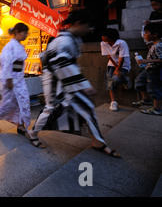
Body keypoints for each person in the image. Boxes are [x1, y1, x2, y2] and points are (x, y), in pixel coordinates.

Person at [27, 9, 121, 158]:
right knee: (51, 108)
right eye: (88, 26)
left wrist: (79, 84)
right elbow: (61, 63)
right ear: (79, 24)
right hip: (53, 81)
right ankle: (33, 133)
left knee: (87, 106)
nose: (90, 30)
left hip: (67, 79)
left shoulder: (72, 39)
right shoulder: (64, 40)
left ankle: (97, 141)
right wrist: (83, 85)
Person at [0, 23, 30, 135]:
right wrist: (9, 79)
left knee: (23, 100)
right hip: (10, 77)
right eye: (24, 33)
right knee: (8, 102)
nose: (26, 35)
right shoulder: (9, 46)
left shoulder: (20, 46)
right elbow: (6, 62)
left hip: (19, 78)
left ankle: (21, 125)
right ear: (17, 32)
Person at [100, 28, 132, 112]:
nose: (102, 38)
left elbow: (122, 58)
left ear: (110, 36)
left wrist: (118, 69)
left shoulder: (121, 43)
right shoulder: (103, 43)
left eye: (104, 36)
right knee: (110, 82)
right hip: (111, 65)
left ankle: (125, 80)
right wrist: (115, 68)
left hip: (124, 65)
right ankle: (113, 102)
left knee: (116, 79)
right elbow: (109, 56)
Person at [137, 22, 162, 116]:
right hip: (150, 69)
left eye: (146, 33)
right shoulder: (154, 45)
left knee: (155, 89)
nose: (144, 35)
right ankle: (150, 103)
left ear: (155, 34)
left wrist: (146, 61)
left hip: (154, 70)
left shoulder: (158, 46)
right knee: (145, 84)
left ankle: (157, 109)